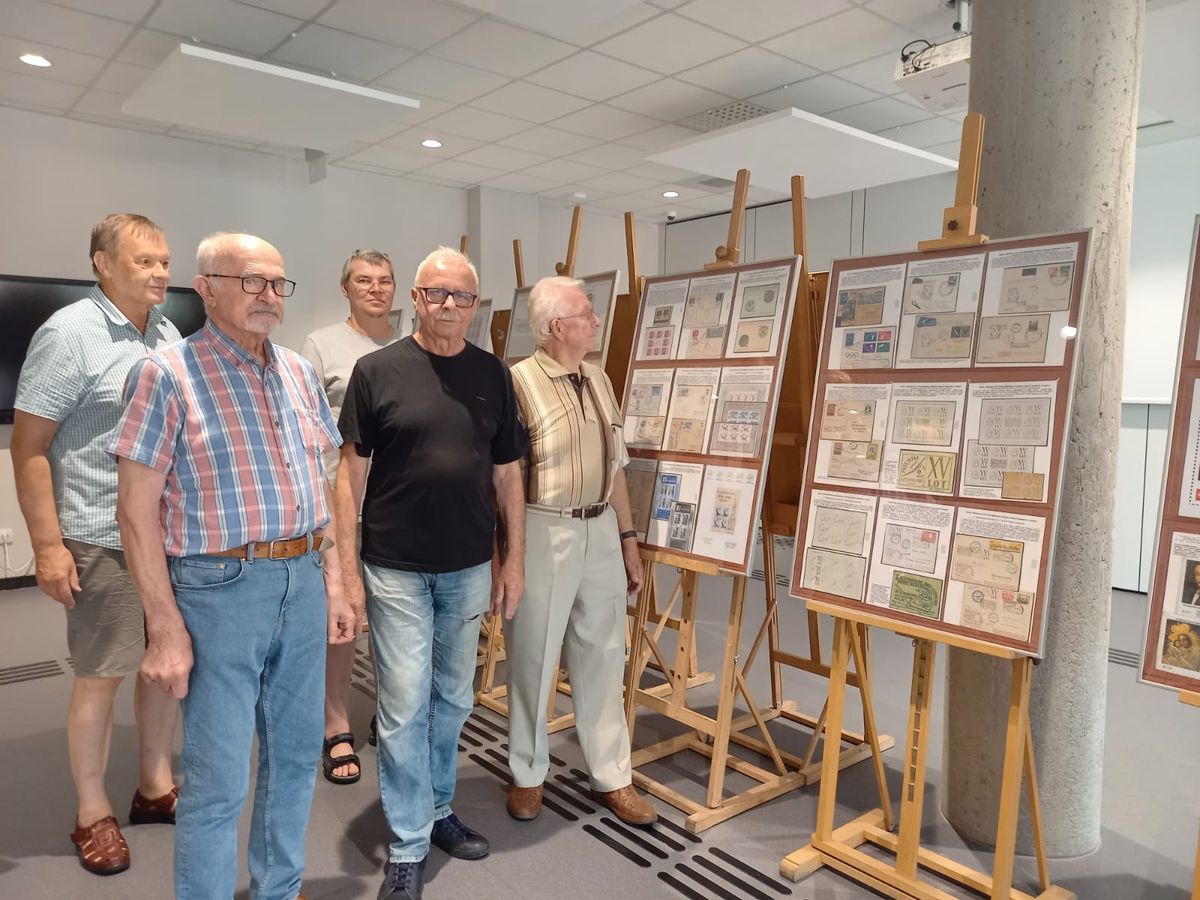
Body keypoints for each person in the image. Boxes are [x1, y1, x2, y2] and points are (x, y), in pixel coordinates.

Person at [111, 232, 356, 900]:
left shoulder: (299, 373)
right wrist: (164, 629)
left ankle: (279, 890)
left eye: (278, 283)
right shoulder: (166, 374)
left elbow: (321, 488)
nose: (268, 295)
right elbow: (135, 512)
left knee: (296, 759)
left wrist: (336, 585)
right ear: (207, 288)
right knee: (218, 781)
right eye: (251, 281)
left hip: (303, 581)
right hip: (219, 590)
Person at [335, 246, 527, 900]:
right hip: (395, 567)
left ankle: (438, 807)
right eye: (436, 293)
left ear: (475, 304)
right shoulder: (376, 371)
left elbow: (508, 473)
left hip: (468, 567)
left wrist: (514, 559)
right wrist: (347, 571)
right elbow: (349, 476)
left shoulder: (492, 373)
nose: (448, 305)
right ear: (415, 299)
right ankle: (409, 841)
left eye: (461, 295)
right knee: (403, 703)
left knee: (453, 699)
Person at [11, 212, 181, 876]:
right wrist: (49, 547)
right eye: (144, 261)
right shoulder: (68, 334)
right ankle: (91, 813)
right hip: (99, 536)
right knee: (102, 674)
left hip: (165, 536)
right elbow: (29, 448)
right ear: (102, 264)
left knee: (165, 663)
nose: (161, 272)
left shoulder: (167, 333)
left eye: (164, 260)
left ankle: (155, 786)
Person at [505, 276, 656, 827]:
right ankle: (527, 772)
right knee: (534, 653)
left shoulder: (598, 376)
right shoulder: (517, 382)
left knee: (605, 653)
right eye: (586, 314)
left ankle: (612, 774)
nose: (596, 322)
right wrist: (510, 552)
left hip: (601, 529)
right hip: (544, 527)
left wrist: (628, 538)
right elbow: (506, 475)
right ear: (555, 326)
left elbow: (615, 467)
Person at [301, 248, 401, 785]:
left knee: (397, 618)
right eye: (364, 280)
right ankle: (335, 723)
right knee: (342, 619)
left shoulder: (411, 346)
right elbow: (305, 430)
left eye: (384, 280)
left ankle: (392, 715)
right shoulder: (321, 346)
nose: (375, 289)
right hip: (341, 504)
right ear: (346, 289)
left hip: (399, 506)